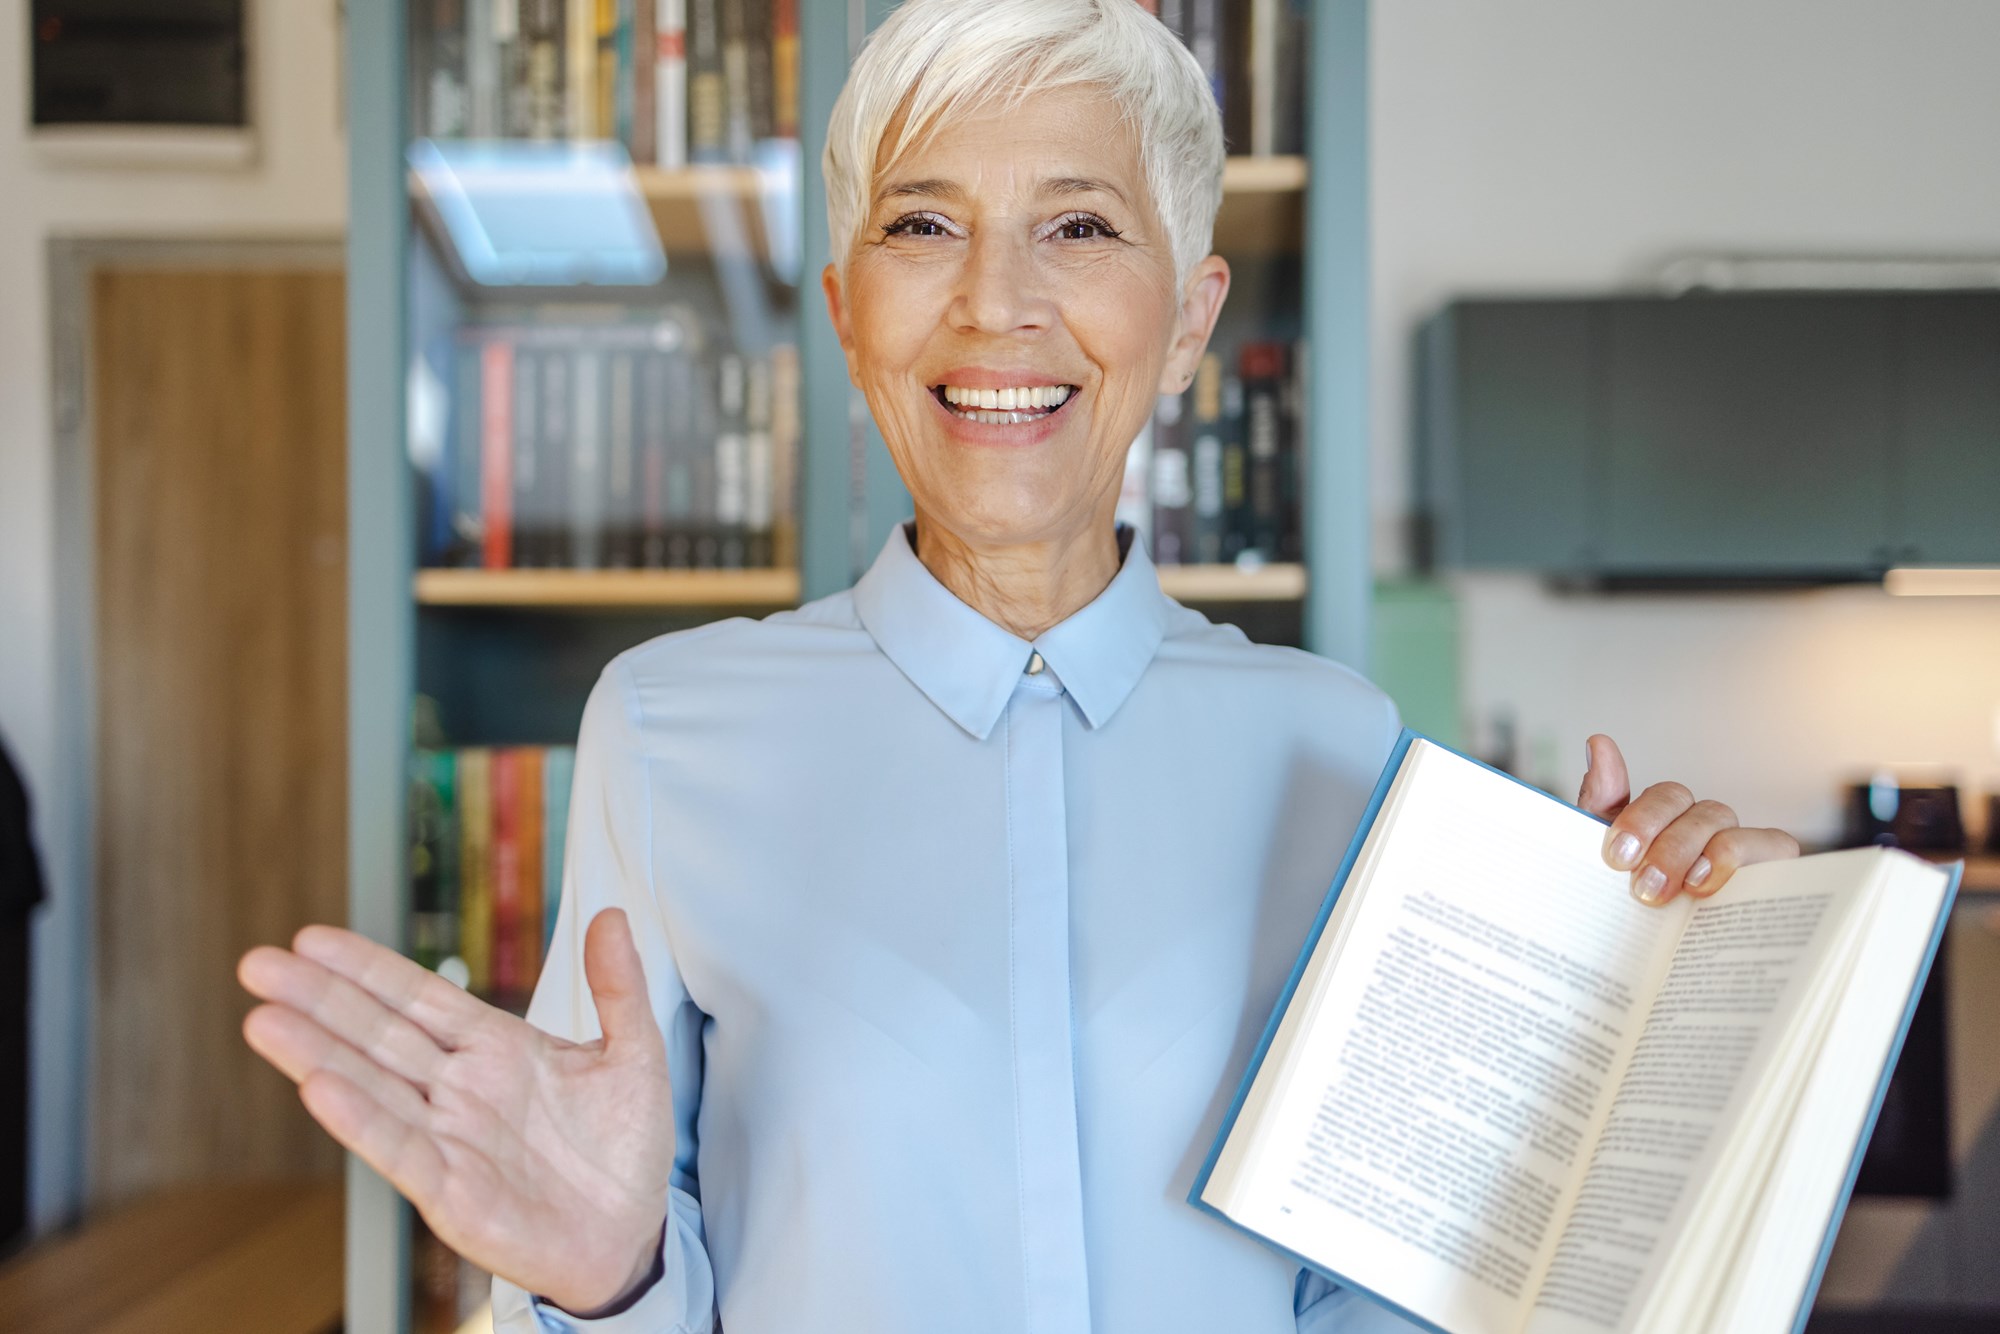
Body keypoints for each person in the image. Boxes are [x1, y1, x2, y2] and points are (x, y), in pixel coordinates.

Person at [236, 1, 1801, 1329]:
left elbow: (1384, 1289)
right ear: (846, 316)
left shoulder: (1341, 747)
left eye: (1080, 225)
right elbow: (617, 1255)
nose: (998, 300)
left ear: (1186, 322)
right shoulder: (663, 725)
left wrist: (1678, 1018)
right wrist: (609, 1275)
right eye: (925, 224)